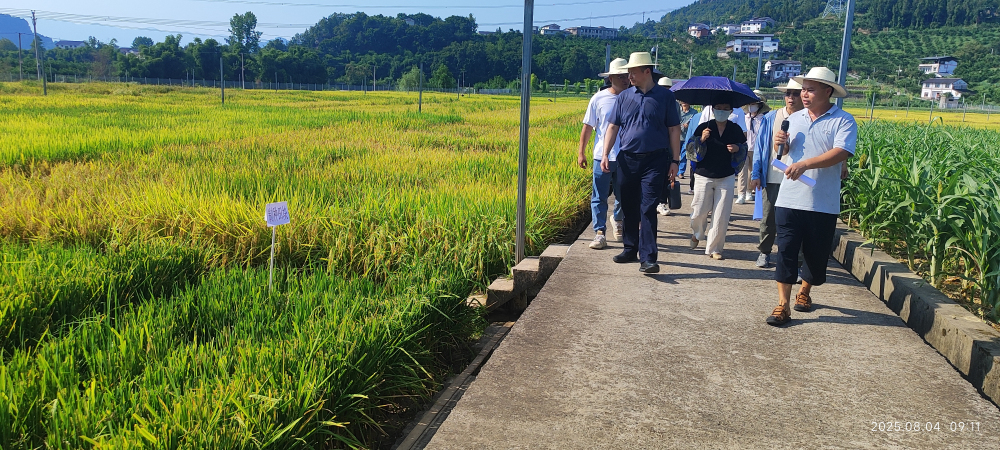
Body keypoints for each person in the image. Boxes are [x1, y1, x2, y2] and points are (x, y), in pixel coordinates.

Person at [766, 67, 858, 326]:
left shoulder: (843, 120)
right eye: (802, 89)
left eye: (810, 89)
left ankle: (804, 291)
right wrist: (779, 142)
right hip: (789, 197)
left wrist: (806, 164)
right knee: (785, 250)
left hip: (822, 201)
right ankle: (783, 305)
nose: (803, 94)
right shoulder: (794, 119)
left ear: (828, 92)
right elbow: (783, 153)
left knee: (816, 255)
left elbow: (841, 153)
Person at [601, 52, 682, 274]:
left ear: (647, 71)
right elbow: (613, 127)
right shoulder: (624, 97)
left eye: (633, 72)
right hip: (628, 159)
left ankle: (648, 258)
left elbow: (674, 129)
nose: (629, 76)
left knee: (647, 207)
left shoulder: (665, 98)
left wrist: (675, 160)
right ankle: (630, 248)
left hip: (656, 160)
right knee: (628, 205)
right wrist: (606, 153)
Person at [749, 80, 804, 268]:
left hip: (798, 178)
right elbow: (760, 147)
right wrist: (756, 173)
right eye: (788, 94)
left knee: (794, 221)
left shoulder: (808, 118)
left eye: (796, 93)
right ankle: (764, 252)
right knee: (768, 217)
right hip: (773, 176)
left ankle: (794, 258)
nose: (791, 98)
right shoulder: (771, 117)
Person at [579, 58, 629, 249]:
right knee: (599, 196)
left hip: (626, 155)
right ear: (611, 78)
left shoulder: (633, 97)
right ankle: (600, 232)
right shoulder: (598, 98)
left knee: (623, 195)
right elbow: (588, 126)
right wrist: (581, 152)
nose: (625, 80)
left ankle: (617, 218)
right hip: (602, 155)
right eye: (621, 76)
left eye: (627, 76)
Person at [688, 103, 748, 260]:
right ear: (713, 110)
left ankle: (714, 248)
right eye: (718, 108)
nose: (721, 111)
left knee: (721, 214)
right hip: (703, 174)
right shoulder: (704, 127)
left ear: (730, 111)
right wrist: (701, 139)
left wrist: (736, 148)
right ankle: (698, 233)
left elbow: (743, 147)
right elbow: (691, 149)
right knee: (699, 211)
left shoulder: (735, 129)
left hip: (726, 176)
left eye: (725, 108)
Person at [736, 90, 770, 204]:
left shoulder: (763, 119)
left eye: (754, 103)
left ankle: (749, 191)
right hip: (745, 148)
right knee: (742, 171)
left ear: (760, 105)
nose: (752, 106)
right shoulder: (744, 117)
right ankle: (741, 193)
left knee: (752, 172)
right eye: (750, 104)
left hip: (756, 150)